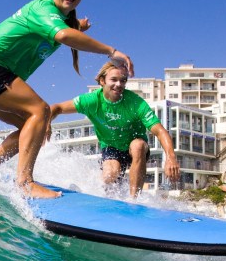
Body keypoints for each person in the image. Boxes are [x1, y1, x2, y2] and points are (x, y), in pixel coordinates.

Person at [0, 0, 134, 199]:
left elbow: (69, 29)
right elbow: (63, 35)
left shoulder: (62, 19)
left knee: (32, 129)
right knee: (40, 111)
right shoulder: (43, 8)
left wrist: (80, 25)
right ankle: (25, 183)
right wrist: (112, 51)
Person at [50, 61, 180, 197]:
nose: (119, 84)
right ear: (102, 81)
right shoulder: (91, 100)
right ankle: (107, 198)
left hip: (135, 146)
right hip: (111, 146)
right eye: (113, 80)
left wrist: (171, 158)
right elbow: (56, 108)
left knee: (138, 146)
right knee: (110, 176)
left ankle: (134, 200)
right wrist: (47, 123)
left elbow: (160, 131)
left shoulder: (135, 102)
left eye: (123, 81)